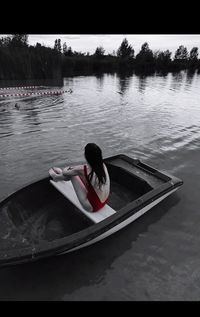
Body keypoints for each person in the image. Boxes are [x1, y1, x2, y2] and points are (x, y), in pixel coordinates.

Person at [49, 143, 110, 212]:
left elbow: (65, 172)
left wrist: (68, 168)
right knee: (77, 173)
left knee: (72, 175)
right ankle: (58, 176)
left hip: (93, 206)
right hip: (104, 202)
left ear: (86, 156)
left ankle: (56, 177)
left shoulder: (83, 169)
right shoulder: (103, 165)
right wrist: (75, 170)